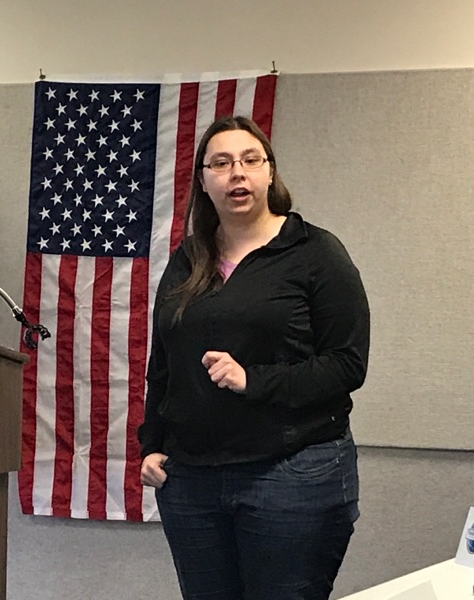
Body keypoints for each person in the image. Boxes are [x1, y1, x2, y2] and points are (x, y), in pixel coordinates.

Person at [138, 115, 370, 600]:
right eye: (220, 163)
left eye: (249, 160)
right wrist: (151, 444)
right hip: (192, 482)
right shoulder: (189, 259)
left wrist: (254, 380)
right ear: (203, 181)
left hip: (292, 475)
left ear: (270, 173)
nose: (236, 173)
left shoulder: (315, 252)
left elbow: (348, 364)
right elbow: (164, 364)